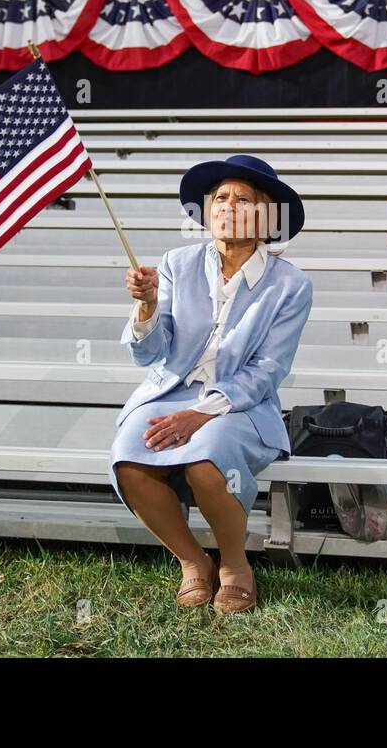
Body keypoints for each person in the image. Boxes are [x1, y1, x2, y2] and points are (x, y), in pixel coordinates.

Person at [107, 154, 312, 614]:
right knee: (130, 458)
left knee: (206, 459)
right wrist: (147, 309)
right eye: (220, 197)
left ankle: (236, 566)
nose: (226, 206)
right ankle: (192, 561)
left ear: (265, 215)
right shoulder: (176, 263)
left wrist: (201, 414)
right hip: (169, 392)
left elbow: (268, 369)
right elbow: (149, 353)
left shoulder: (290, 285)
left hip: (241, 405)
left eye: (242, 198)